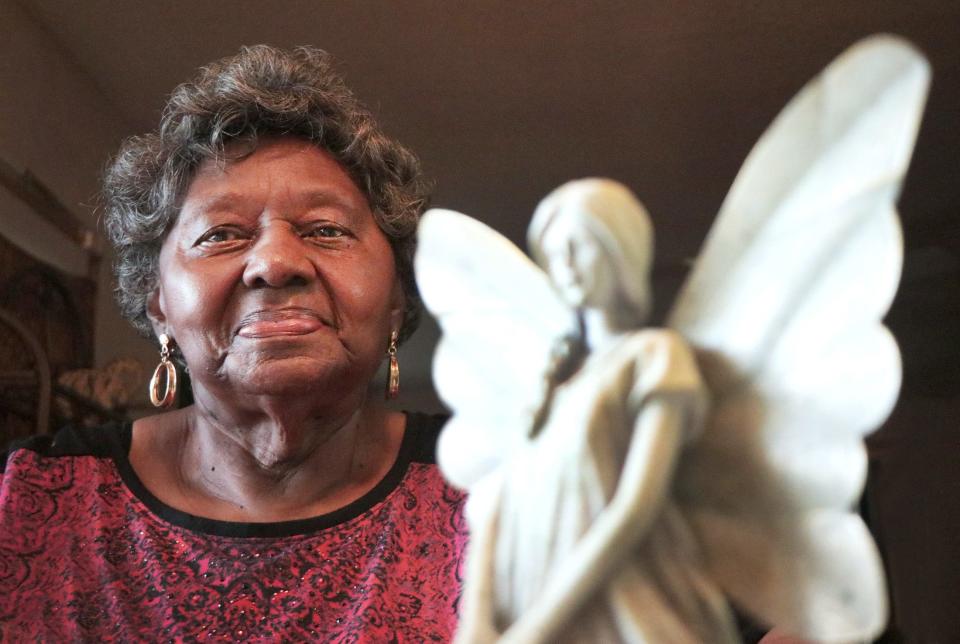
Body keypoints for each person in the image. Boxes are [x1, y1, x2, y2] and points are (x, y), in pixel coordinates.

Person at [0, 45, 467, 641]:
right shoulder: (29, 501)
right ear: (158, 303)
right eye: (221, 235)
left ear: (398, 296)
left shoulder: (495, 492)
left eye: (326, 230)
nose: (274, 264)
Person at [452, 180, 740, 643]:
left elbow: (635, 509)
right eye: (553, 252)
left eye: (578, 246)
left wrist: (540, 624)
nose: (564, 264)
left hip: (619, 604)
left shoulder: (653, 356)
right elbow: (500, 505)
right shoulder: (555, 384)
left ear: (617, 249)